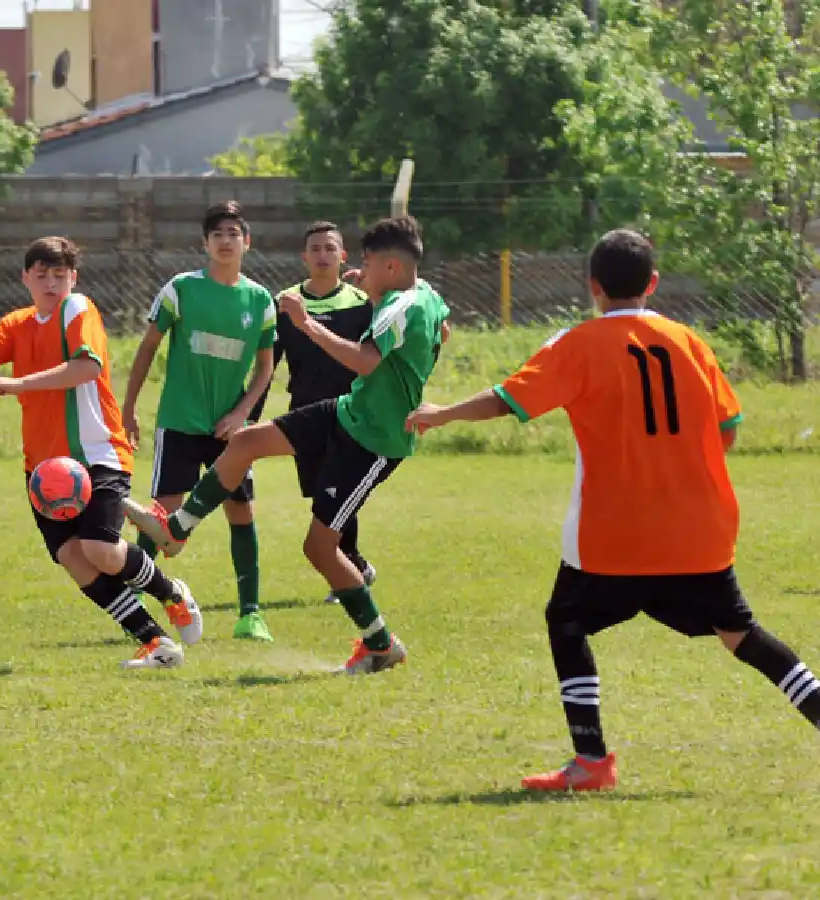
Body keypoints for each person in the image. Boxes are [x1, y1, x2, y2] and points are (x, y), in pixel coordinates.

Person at [406, 228, 820, 791]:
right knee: (739, 633)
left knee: (567, 620)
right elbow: (727, 429)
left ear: (593, 286)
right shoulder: (689, 342)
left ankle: (592, 761)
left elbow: (508, 400)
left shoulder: (578, 344)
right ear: (653, 283)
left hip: (615, 536)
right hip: (698, 529)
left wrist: (442, 413)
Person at [125, 215, 450, 674]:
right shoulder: (425, 294)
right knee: (246, 442)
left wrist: (306, 324)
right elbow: (442, 331)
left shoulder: (402, 306)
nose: (359, 271)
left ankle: (380, 643)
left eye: (368, 262)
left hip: (373, 440)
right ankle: (177, 529)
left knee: (320, 549)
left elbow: (365, 362)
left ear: (392, 266)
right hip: (347, 411)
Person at [0, 236, 201, 670]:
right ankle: (156, 642)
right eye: (42, 275)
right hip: (45, 468)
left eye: (60, 275)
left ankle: (171, 593)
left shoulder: (78, 308)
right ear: (25, 278)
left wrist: (17, 383)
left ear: (74, 277)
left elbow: (86, 367)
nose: (51, 283)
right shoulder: (17, 323)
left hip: (96, 454)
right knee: (73, 557)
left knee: (100, 549)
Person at [122, 201, 277, 642]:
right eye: (217, 234)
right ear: (205, 243)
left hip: (230, 429)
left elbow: (265, 367)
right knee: (161, 515)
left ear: (247, 242)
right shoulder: (180, 289)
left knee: (240, 510)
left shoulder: (260, 301)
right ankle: (138, 605)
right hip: (180, 420)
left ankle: (251, 615)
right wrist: (128, 407)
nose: (226, 241)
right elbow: (148, 347)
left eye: (234, 233)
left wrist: (242, 412)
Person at [249, 220, 377, 604]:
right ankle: (357, 565)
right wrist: (250, 415)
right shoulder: (287, 303)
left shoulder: (361, 303)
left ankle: (349, 571)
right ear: (304, 257)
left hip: (350, 414)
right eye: (315, 249)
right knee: (320, 495)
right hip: (304, 413)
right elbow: (268, 365)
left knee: (338, 493)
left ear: (343, 256)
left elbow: (374, 359)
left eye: (330, 248)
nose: (323, 255)